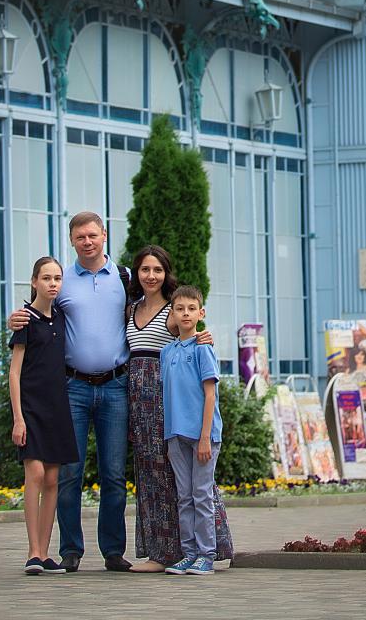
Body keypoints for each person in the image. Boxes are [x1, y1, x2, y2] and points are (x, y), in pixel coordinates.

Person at [7, 212, 212, 572]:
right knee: (69, 472)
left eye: (93, 235)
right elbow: (39, 313)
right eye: (80, 237)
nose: (87, 242)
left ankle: (113, 551)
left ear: (104, 235)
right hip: (72, 387)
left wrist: (202, 336)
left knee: (114, 473)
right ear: (72, 241)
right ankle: (71, 549)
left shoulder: (125, 279)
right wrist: (15, 319)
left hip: (117, 386)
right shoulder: (63, 280)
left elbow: (174, 307)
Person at [123, 245, 232, 572]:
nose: (151, 275)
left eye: (157, 270)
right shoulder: (130, 309)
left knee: (195, 488)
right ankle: (165, 551)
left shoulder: (173, 310)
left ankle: (208, 550)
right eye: (144, 269)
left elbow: (191, 335)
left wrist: (205, 336)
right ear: (137, 273)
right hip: (141, 403)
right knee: (156, 479)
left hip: (169, 401)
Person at [9, 257, 78, 575]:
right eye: (46, 278)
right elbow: (15, 372)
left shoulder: (61, 317)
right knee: (35, 475)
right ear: (34, 281)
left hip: (58, 408)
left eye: (58, 278)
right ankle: (32, 552)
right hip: (31, 409)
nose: (53, 283)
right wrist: (18, 418)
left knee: (53, 479)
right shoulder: (25, 320)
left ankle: (45, 553)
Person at [160, 286, 222, 576]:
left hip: (202, 437)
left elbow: (210, 395)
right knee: (183, 496)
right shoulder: (167, 351)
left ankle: (206, 555)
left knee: (201, 494)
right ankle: (189, 552)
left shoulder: (203, 348)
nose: (185, 313)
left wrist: (205, 437)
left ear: (201, 312)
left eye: (191, 308)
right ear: (172, 312)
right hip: (175, 434)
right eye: (180, 308)